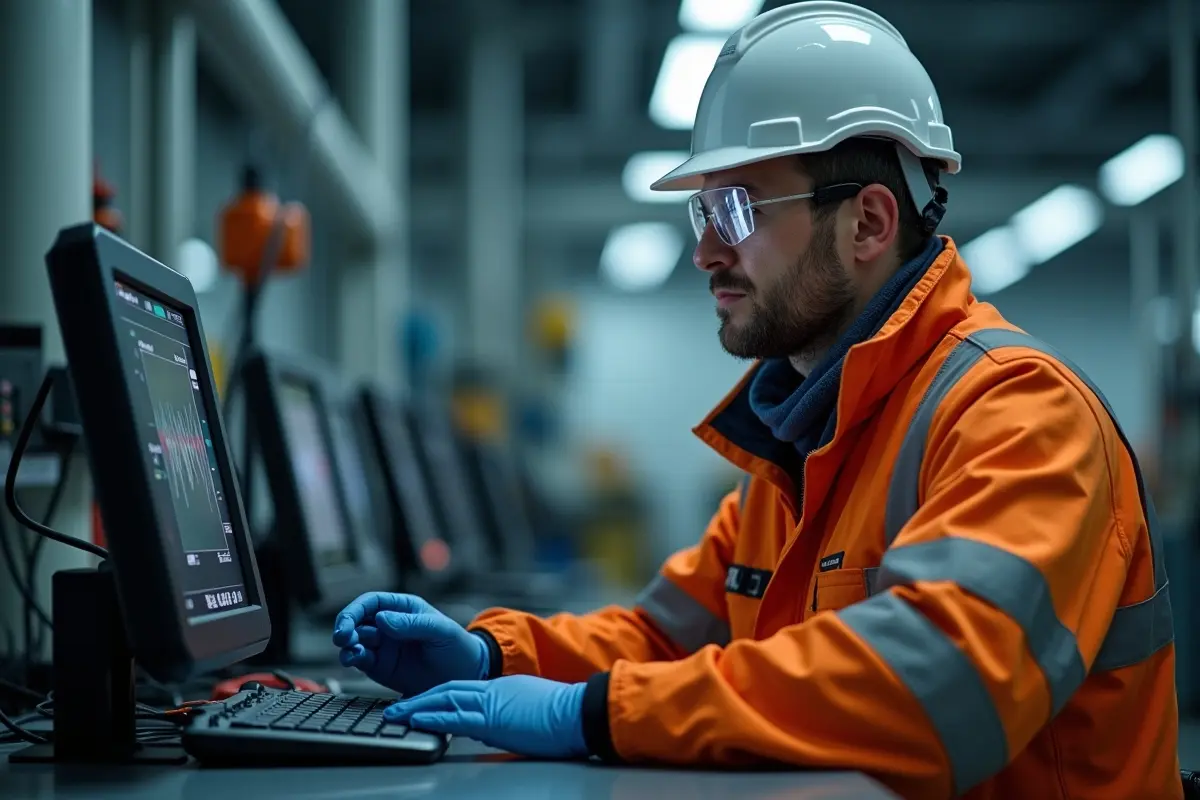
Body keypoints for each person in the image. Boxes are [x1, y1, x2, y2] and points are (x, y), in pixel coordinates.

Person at [333, 2, 1181, 797]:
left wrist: (589, 714)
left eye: (735, 208)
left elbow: (933, 686)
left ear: (870, 224)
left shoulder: (1022, 418)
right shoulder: (799, 441)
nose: (704, 251)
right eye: (703, 210)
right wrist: (490, 656)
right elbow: (665, 638)